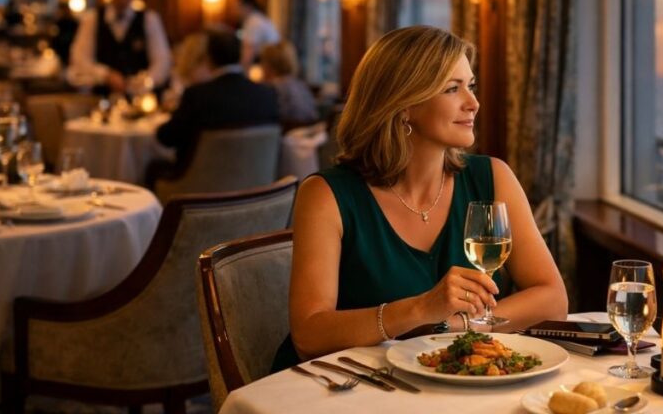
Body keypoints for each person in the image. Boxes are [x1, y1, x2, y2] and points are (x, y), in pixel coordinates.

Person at [273, 26, 568, 372]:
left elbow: (552, 299)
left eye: (470, 85)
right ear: (403, 105)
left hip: (454, 384)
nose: (473, 102)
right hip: (350, 390)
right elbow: (309, 334)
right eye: (452, 89)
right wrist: (419, 310)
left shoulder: (493, 177)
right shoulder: (326, 195)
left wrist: (451, 327)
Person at [148, 27, 279, 187]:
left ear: (209, 58)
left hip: (199, 188)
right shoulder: (268, 95)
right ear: (239, 56)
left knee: (152, 168)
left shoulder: (198, 95)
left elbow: (166, 138)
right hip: (253, 189)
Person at [67, 0, 171, 96]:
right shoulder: (92, 19)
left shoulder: (149, 19)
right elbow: (79, 59)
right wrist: (106, 75)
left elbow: (162, 61)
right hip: (101, 97)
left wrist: (146, 80)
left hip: (141, 99)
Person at [259, 41, 318, 128]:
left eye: (262, 61)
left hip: (284, 138)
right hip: (309, 137)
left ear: (268, 64)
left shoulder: (270, 89)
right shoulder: (301, 86)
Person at [236, 0, 279, 71]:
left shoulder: (253, 22)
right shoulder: (260, 18)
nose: (237, 11)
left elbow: (249, 52)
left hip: (267, 65)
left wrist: (241, 74)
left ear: (248, 6)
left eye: (239, 7)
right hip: (272, 65)